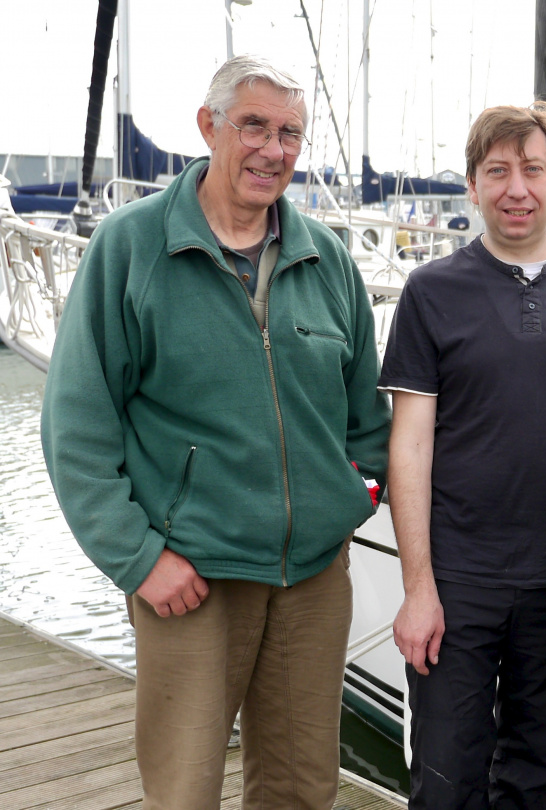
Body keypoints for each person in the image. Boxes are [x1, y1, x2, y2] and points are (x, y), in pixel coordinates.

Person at [41, 55, 390, 808]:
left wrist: (351, 498)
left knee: (303, 789)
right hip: (190, 581)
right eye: (254, 126)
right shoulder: (131, 248)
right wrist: (139, 558)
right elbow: (77, 424)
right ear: (209, 126)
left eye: (290, 133)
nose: (273, 149)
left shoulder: (327, 259)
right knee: (185, 788)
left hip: (312, 581)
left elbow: (367, 418)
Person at [381, 102, 546, 809]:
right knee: (446, 770)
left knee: (537, 773)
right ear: (472, 185)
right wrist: (417, 588)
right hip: (459, 578)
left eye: (533, 169)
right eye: (497, 171)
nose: (516, 188)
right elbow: (408, 445)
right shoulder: (431, 292)